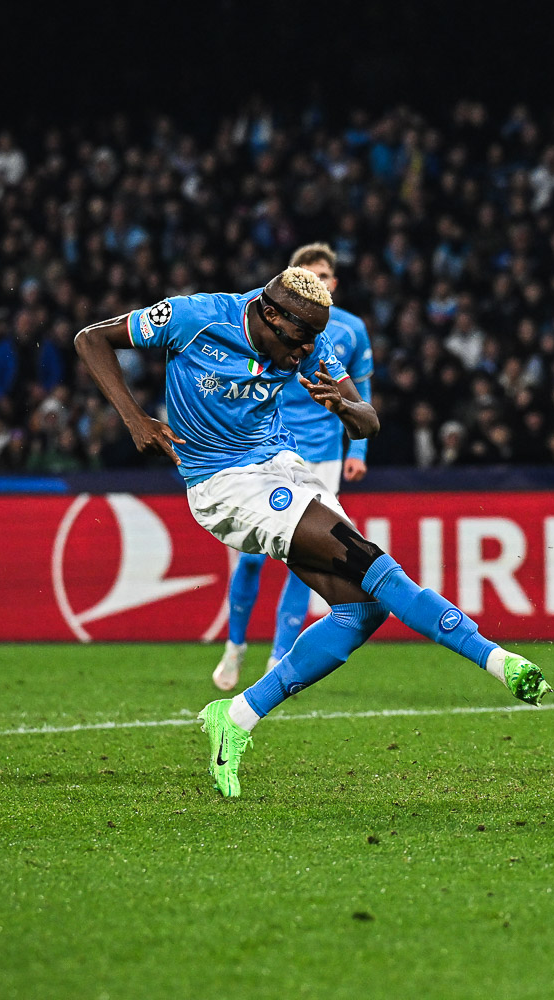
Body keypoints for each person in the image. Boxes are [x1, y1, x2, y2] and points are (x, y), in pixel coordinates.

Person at [74, 267, 552, 798]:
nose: (304, 353)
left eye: (311, 343)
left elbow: (368, 420)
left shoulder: (312, 339)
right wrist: (135, 418)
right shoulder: (193, 317)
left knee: (362, 609)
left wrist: (346, 408)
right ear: (269, 313)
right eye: (298, 342)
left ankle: (237, 715)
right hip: (222, 483)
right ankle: (497, 660)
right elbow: (91, 339)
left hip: (282, 464)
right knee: (368, 561)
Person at [212, 244, 374, 691]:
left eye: (323, 275)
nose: (316, 282)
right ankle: (236, 645)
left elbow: (361, 391)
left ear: (334, 283)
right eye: (307, 275)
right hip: (267, 450)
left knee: (303, 556)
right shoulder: (272, 329)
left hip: (322, 456)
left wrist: (357, 454)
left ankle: (279, 656)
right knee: (248, 563)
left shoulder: (351, 331)